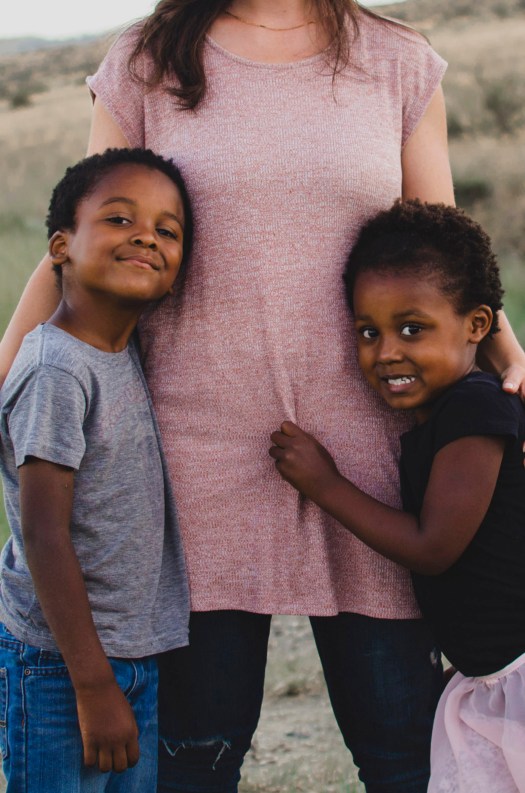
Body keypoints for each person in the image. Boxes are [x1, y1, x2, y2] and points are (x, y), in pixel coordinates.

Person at [1, 2, 525, 791]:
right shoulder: (147, 57)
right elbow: (82, 236)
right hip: (193, 459)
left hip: (368, 454)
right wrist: (8, 365)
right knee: (195, 760)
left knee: (404, 758)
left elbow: (437, 238)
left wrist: (506, 348)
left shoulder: (396, 61)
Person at [270, 199, 525, 793]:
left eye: (413, 328)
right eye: (368, 331)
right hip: (486, 680)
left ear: (477, 326)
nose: (386, 352)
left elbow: (434, 546)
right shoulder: (444, 418)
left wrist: (325, 485)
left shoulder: (476, 408)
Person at [0, 147, 193, 793]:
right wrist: (92, 683)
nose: (146, 235)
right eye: (118, 219)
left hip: (128, 654)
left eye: (168, 230)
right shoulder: (57, 368)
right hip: (60, 664)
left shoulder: (121, 352)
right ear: (60, 246)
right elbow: (43, 534)